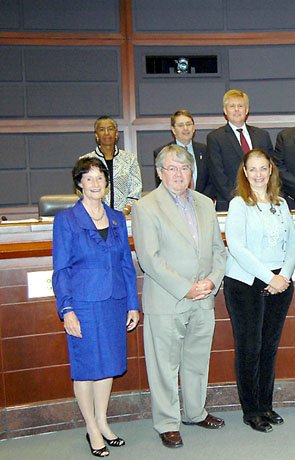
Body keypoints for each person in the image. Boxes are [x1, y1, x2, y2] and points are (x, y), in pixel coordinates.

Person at [131, 144, 226, 448]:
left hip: (204, 299)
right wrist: (187, 287)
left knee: (197, 361)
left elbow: (218, 251)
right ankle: (167, 422)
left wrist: (211, 282)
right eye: (171, 168)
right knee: (164, 366)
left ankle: (196, 412)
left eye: (184, 168)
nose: (178, 174)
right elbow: (149, 258)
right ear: (159, 172)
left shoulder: (204, 203)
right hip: (169, 300)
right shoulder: (146, 207)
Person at [52, 156, 140, 457]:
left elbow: (127, 265)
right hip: (83, 304)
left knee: (108, 366)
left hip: (114, 302)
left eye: (100, 178)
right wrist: (67, 310)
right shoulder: (66, 220)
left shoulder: (116, 217)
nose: (95, 183)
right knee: (87, 367)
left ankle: (103, 421)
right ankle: (91, 428)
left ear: (106, 183)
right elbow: (61, 270)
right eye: (88, 178)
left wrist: (132, 304)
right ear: (79, 183)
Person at [223, 149, 295, 433]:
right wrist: (270, 276)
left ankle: (266, 405)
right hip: (246, 284)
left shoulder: (280, 204)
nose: (258, 174)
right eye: (252, 169)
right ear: (244, 172)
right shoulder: (238, 205)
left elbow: (293, 244)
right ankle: (251, 409)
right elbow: (237, 247)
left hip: (279, 284)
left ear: (270, 171)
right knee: (249, 348)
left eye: (262, 169)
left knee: (268, 348)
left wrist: (284, 276)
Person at [206, 89, 274, 211]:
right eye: (232, 106)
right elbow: (217, 174)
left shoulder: (262, 135)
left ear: (247, 110)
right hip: (230, 202)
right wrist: (239, 200)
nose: (236, 109)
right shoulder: (215, 138)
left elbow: (271, 168)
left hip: (263, 201)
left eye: (240, 106)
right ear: (225, 111)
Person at [80, 116, 142, 213]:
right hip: (94, 216)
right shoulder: (86, 160)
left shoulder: (130, 159)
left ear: (116, 134)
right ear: (96, 135)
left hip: (124, 216)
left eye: (110, 129)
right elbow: (81, 190)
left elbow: (136, 190)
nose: (106, 133)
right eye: (102, 130)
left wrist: (125, 211)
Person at [154, 109, 215, 198]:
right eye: (181, 125)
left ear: (194, 128)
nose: (185, 128)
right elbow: (162, 183)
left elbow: (212, 181)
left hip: (201, 203)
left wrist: (200, 200)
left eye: (188, 124)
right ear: (173, 130)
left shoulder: (205, 150)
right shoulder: (162, 153)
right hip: (173, 204)